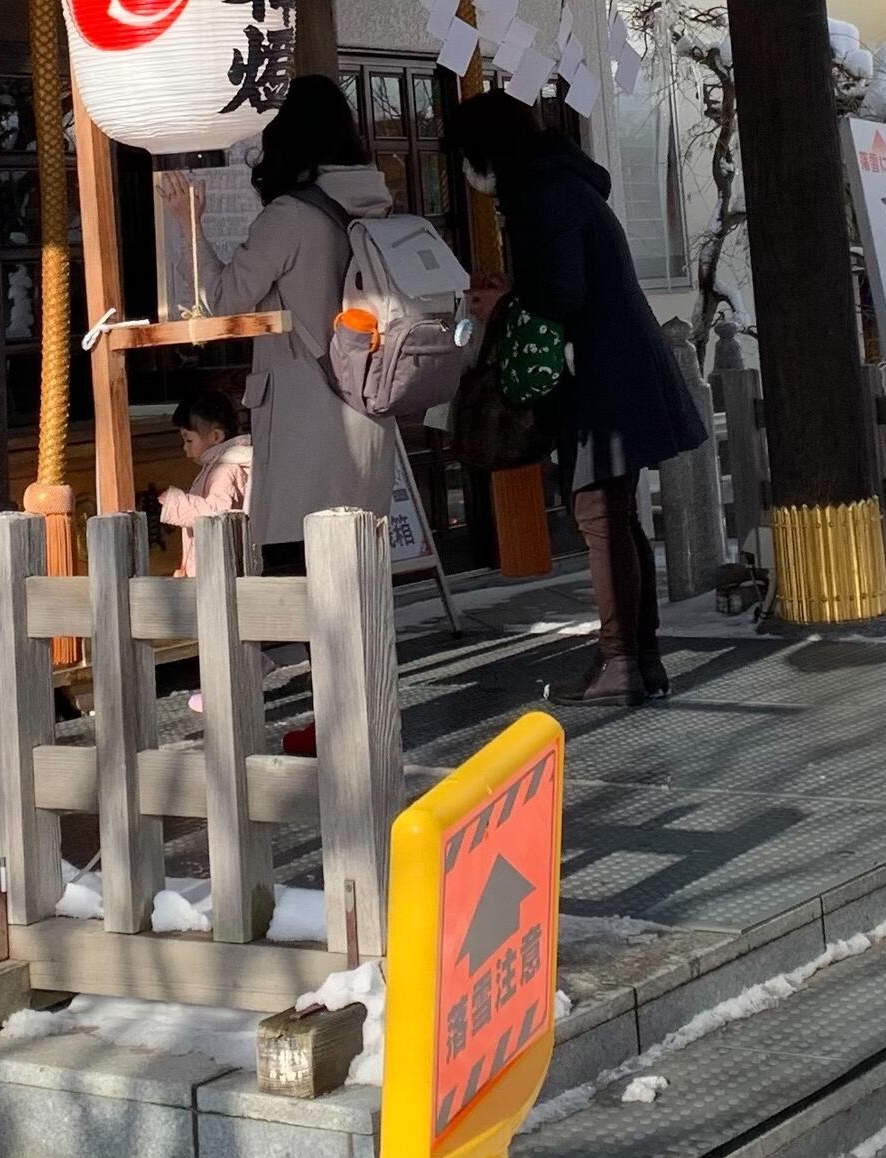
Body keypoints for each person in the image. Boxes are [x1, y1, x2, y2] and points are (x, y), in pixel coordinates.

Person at [448, 89, 702, 703]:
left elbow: (561, 293)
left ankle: (621, 662)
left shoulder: (541, 193)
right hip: (617, 364)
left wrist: (500, 303)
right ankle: (639, 660)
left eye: (468, 157)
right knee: (615, 515)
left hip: (600, 374)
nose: (468, 174)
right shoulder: (562, 181)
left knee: (598, 515)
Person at [211, 73, 396, 567]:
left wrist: (186, 222)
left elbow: (224, 299)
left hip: (303, 408)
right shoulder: (378, 203)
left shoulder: (289, 216)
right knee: (359, 567)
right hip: (369, 406)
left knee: (302, 566)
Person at [158, 385, 253, 552]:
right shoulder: (217, 466)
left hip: (218, 567)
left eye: (189, 440)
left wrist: (175, 503)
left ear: (216, 436)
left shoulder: (225, 470)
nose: (185, 448)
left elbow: (216, 514)